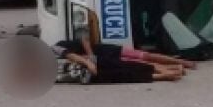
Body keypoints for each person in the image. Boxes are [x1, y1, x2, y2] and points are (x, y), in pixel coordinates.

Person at [53, 35, 196, 83]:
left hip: (105, 51)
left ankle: (182, 62)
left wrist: (90, 57)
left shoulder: (55, 48)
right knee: (138, 63)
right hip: (100, 61)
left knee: (144, 55)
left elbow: (83, 40)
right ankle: (175, 69)